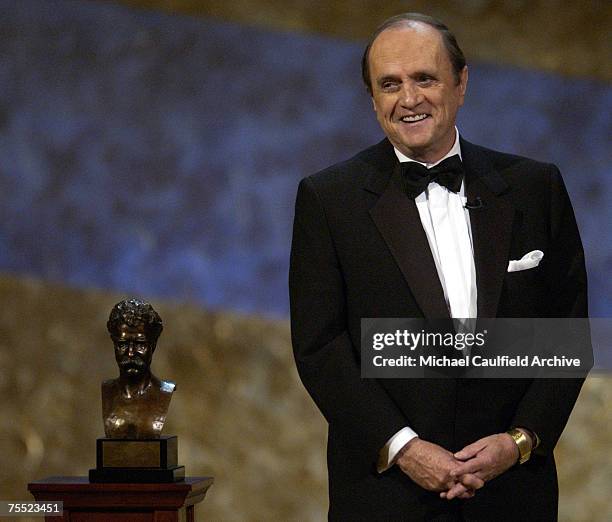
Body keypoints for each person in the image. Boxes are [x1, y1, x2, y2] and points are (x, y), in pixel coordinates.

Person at [289, 12, 588, 521]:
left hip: (512, 493)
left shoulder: (536, 188)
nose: (409, 99)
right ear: (372, 99)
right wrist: (405, 449)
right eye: (390, 84)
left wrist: (517, 442)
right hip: (387, 495)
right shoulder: (328, 199)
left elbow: (567, 335)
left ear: (461, 83)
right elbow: (321, 346)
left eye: (424, 78)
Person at [103, 298, 175, 439]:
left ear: (152, 347)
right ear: (114, 345)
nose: (130, 353)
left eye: (140, 345)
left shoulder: (164, 392)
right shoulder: (107, 391)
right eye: (123, 345)